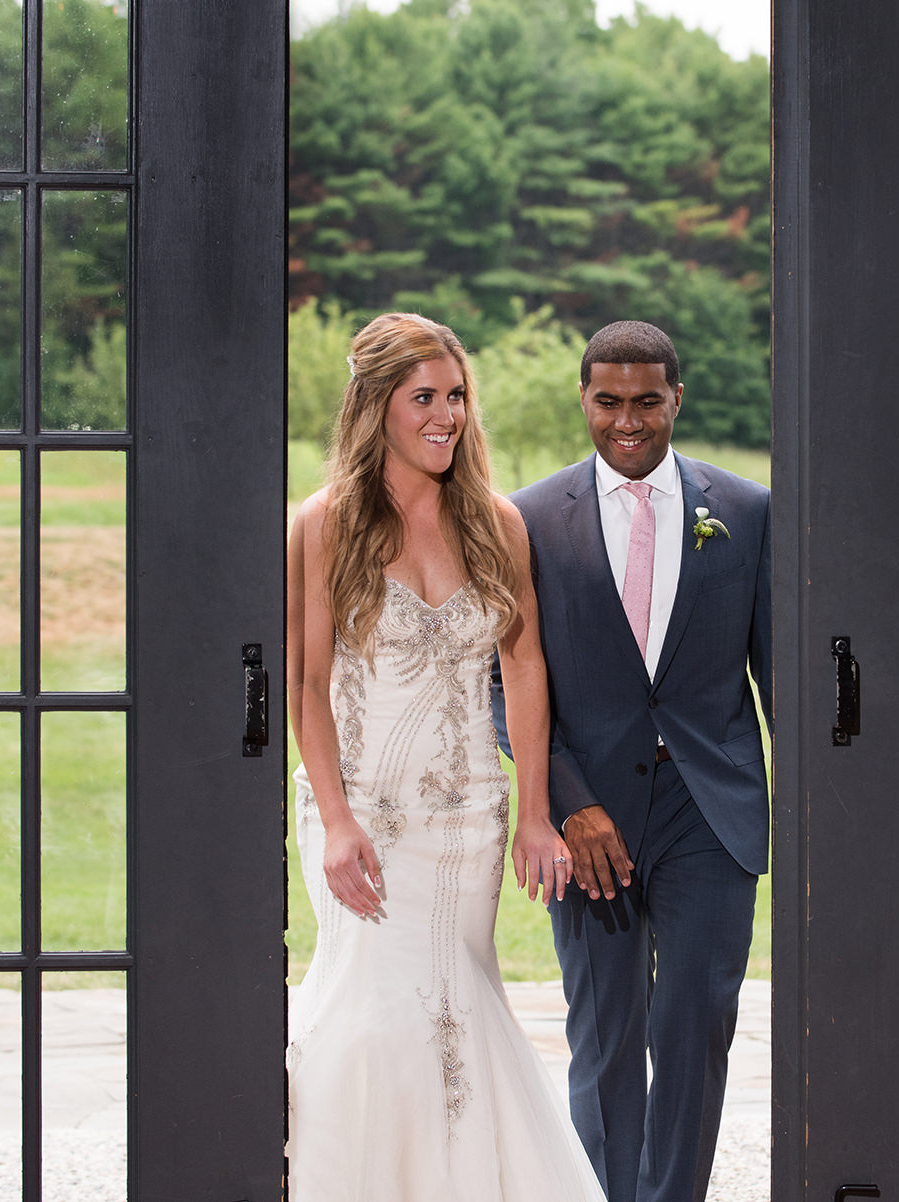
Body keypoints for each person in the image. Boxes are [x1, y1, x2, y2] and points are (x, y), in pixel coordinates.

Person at [285, 312, 607, 1202]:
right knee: (368, 1008)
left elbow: (526, 665)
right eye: (423, 397)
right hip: (362, 814)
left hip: (467, 811)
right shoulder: (325, 524)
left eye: (456, 395)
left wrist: (535, 811)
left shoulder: (495, 523)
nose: (447, 415)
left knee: (460, 1004)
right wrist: (338, 820)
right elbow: (307, 687)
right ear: (375, 406)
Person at [494, 320, 772, 1202]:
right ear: (583, 399)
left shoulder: (749, 512)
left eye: (647, 401)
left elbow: (782, 674)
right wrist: (567, 802)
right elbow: (504, 684)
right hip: (590, 818)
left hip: (709, 811)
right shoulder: (528, 519)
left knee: (695, 1025)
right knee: (607, 1034)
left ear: (676, 399)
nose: (628, 420)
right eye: (608, 400)